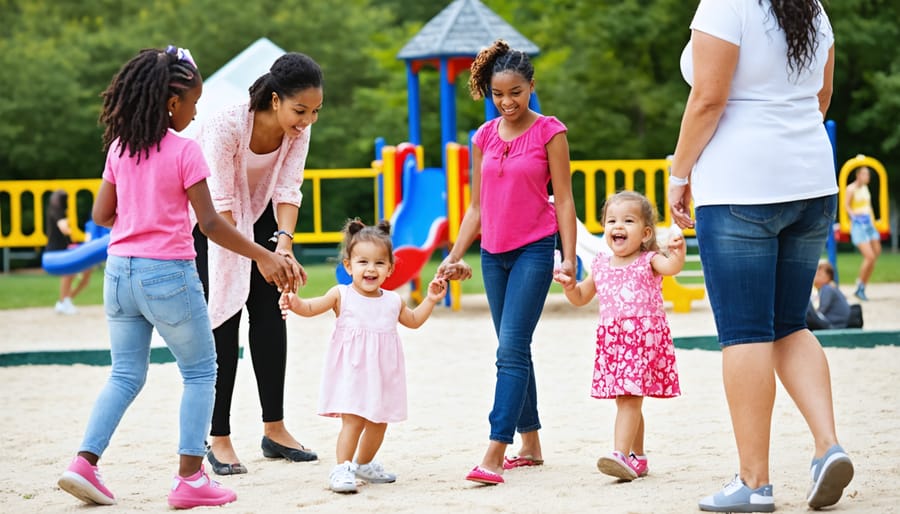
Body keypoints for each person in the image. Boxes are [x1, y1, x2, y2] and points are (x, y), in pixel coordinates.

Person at [56, 45, 300, 509]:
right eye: (192, 102)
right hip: (167, 273)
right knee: (201, 371)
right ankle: (190, 478)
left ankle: (83, 463)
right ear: (172, 103)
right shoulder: (186, 151)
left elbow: (102, 213)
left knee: (125, 373)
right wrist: (263, 257)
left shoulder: (119, 148)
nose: (196, 111)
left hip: (118, 274)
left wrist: (141, 216)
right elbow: (210, 224)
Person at [668, 0, 853, 511]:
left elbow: (708, 99)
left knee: (745, 333)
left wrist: (679, 175)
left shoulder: (725, 5)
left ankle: (754, 483)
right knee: (790, 325)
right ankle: (827, 447)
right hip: (811, 182)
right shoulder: (812, 7)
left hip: (740, 187)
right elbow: (822, 95)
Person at [435, 39, 578, 486]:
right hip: (493, 256)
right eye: (498, 94)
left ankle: (496, 450)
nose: (507, 102)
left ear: (531, 87)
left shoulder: (550, 132)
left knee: (510, 350)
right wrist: (453, 256)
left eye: (515, 92)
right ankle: (530, 443)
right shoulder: (483, 137)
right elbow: (475, 208)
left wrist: (569, 257)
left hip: (535, 249)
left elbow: (565, 199)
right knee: (514, 347)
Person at [192, 52, 323, 475]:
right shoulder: (226, 124)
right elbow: (221, 205)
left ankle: (275, 428)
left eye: (315, 111)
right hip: (211, 218)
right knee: (223, 321)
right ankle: (218, 435)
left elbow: (288, 188)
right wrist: (260, 257)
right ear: (273, 100)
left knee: (270, 314)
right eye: (300, 110)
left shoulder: (296, 131)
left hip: (260, 211)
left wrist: (282, 248)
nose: (306, 121)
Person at [279, 219, 447, 493]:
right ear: (348, 265)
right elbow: (310, 308)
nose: (371, 269)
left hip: (383, 376)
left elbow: (414, 321)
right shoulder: (341, 295)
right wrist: (294, 302)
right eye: (363, 262)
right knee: (354, 420)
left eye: (379, 263)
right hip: (352, 373)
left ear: (390, 268)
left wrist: (429, 299)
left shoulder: (393, 301)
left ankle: (364, 463)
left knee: (379, 422)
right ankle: (342, 467)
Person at [554, 191, 685, 481]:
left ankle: (620, 454)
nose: (618, 226)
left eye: (628, 220)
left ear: (646, 232)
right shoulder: (600, 264)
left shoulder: (648, 260)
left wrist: (678, 251)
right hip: (615, 343)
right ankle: (638, 457)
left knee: (629, 398)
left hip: (641, 341)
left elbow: (672, 267)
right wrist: (568, 286)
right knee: (625, 399)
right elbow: (580, 298)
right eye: (611, 220)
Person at [45, 189, 92, 315]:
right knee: (68, 274)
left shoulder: (56, 211)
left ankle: (65, 301)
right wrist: (72, 231)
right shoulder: (57, 212)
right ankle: (64, 301)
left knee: (76, 275)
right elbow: (64, 229)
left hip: (61, 248)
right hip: (56, 250)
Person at [845, 165, 881, 301]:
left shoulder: (865, 188)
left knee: (876, 252)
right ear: (858, 175)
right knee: (870, 256)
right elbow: (846, 206)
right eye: (865, 174)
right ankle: (860, 285)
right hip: (859, 226)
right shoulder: (851, 189)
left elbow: (868, 206)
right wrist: (855, 217)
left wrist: (872, 220)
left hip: (869, 224)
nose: (868, 177)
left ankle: (862, 285)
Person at [806, 260, 851, 331]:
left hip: (833, 325)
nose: (815, 276)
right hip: (835, 323)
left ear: (828, 277)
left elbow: (821, 310)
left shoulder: (827, 288)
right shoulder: (828, 288)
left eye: (819, 275)